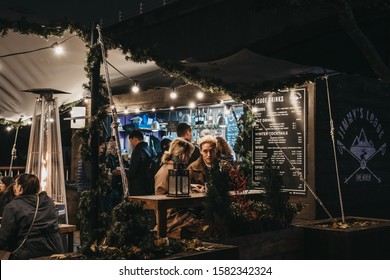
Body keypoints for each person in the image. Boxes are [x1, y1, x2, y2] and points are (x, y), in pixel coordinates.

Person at [0, 173, 64, 259]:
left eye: (16, 184)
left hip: (29, 251)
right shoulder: (48, 201)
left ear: (21, 188)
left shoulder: (13, 206)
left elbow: (5, 237)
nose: (13, 187)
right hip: (55, 248)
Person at [154, 138, 198, 238]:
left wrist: (191, 186)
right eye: (188, 155)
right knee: (202, 224)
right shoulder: (173, 170)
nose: (189, 158)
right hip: (171, 217)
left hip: (172, 213)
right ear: (182, 154)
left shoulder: (170, 167)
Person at [126, 129, 155, 195]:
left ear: (135, 139)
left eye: (131, 141)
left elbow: (132, 172)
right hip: (148, 186)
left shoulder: (137, 151)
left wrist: (123, 172)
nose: (131, 144)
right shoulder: (150, 149)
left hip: (138, 188)